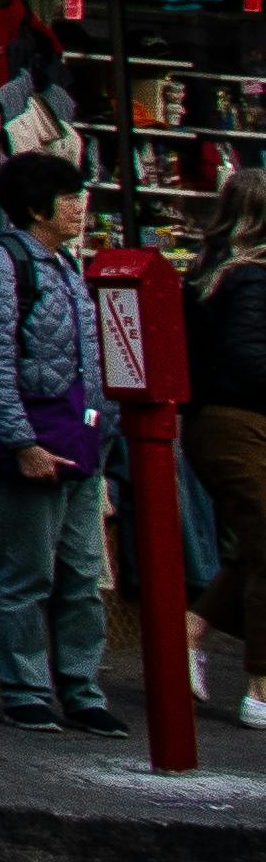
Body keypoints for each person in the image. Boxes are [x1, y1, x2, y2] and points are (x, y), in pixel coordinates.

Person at [0, 152, 115, 735]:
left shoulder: (66, 265)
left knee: (81, 576)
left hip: (81, 439)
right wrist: (21, 442)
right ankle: (25, 688)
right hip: (35, 440)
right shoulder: (0, 264)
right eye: (70, 198)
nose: (80, 208)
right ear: (35, 206)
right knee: (26, 574)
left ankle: (82, 687)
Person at [180, 166, 266, 730]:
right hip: (242, 425)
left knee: (256, 545)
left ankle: (187, 633)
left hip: (216, 425)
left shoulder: (210, 272)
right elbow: (250, 362)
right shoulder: (254, 280)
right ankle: (261, 686)